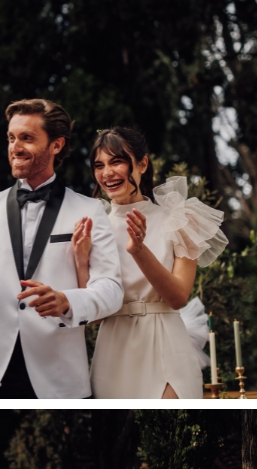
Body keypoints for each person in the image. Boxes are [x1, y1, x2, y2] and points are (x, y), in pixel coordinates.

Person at [0, 98, 123, 399]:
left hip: (59, 374)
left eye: (27, 138)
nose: (15, 147)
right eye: (11, 138)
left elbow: (112, 290)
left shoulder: (90, 209)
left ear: (56, 145)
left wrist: (67, 300)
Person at [80, 128, 228, 400]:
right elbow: (94, 315)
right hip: (113, 348)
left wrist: (139, 250)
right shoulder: (92, 227)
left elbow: (178, 297)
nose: (107, 173)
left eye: (117, 161)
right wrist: (80, 259)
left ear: (142, 164)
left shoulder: (180, 218)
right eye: (99, 165)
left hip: (166, 344)